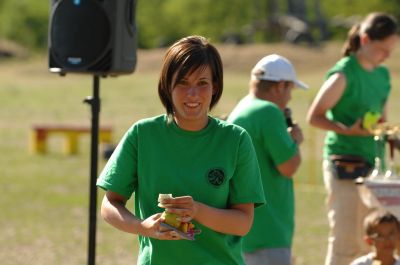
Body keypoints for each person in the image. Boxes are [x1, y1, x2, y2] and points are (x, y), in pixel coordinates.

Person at [96, 35, 265, 265]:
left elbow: (243, 223)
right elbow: (109, 204)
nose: (192, 94)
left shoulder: (235, 140)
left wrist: (197, 210)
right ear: (167, 85)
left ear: (215, 86)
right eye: (182, 83)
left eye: (202, 83)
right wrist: (143, 227)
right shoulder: (142, 135)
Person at [306, 12, 399, 265]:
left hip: (374, 167)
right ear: (365, 39)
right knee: (345, 241)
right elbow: (314, 116)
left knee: (372, 237)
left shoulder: (382, 76)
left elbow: (382, 121)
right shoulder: (344, 74)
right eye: (383, 49)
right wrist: (349, 130)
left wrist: (391, 137)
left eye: (391, 49)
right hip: (344, 164)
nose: (387, 56)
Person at [227, 54, 307, 265]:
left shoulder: (243, 106)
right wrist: (295, 142)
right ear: (280, 86)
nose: (289, 97)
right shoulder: (268, 112)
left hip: (244, 230)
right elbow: (289, 167)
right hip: (268, 232)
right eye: (290, 89)